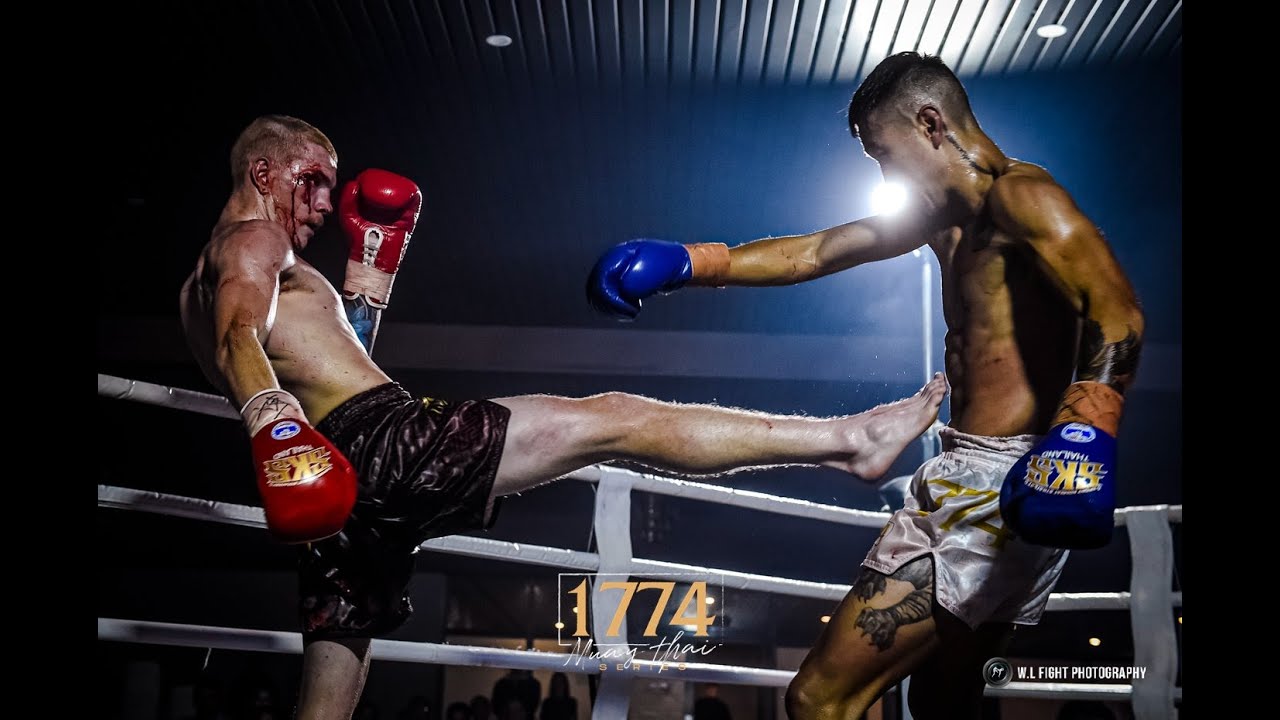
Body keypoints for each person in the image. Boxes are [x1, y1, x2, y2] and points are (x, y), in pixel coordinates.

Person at [178, 114, 947, 719]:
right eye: (311, 181)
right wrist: (275, 429)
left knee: (328, 696)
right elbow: (240, 335)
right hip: (380, 442)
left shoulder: (207, 271)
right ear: (262, 171)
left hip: (343, 491)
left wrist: (369, 283)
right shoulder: (254, 238)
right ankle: (848, 441)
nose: (321, 202)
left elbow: (311, 356)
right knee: (616, 416)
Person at [586, 52, 1144, 719]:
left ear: (932, 124)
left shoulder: (1022, 197)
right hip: (995, 480)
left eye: (885, 152)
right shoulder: (943, 217)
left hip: (997, 487)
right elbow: (819, 251)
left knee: (820, 699)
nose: (884, 173)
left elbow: (1117, 314)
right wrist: (692, 262)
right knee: (944, 698)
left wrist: (1085, 433)